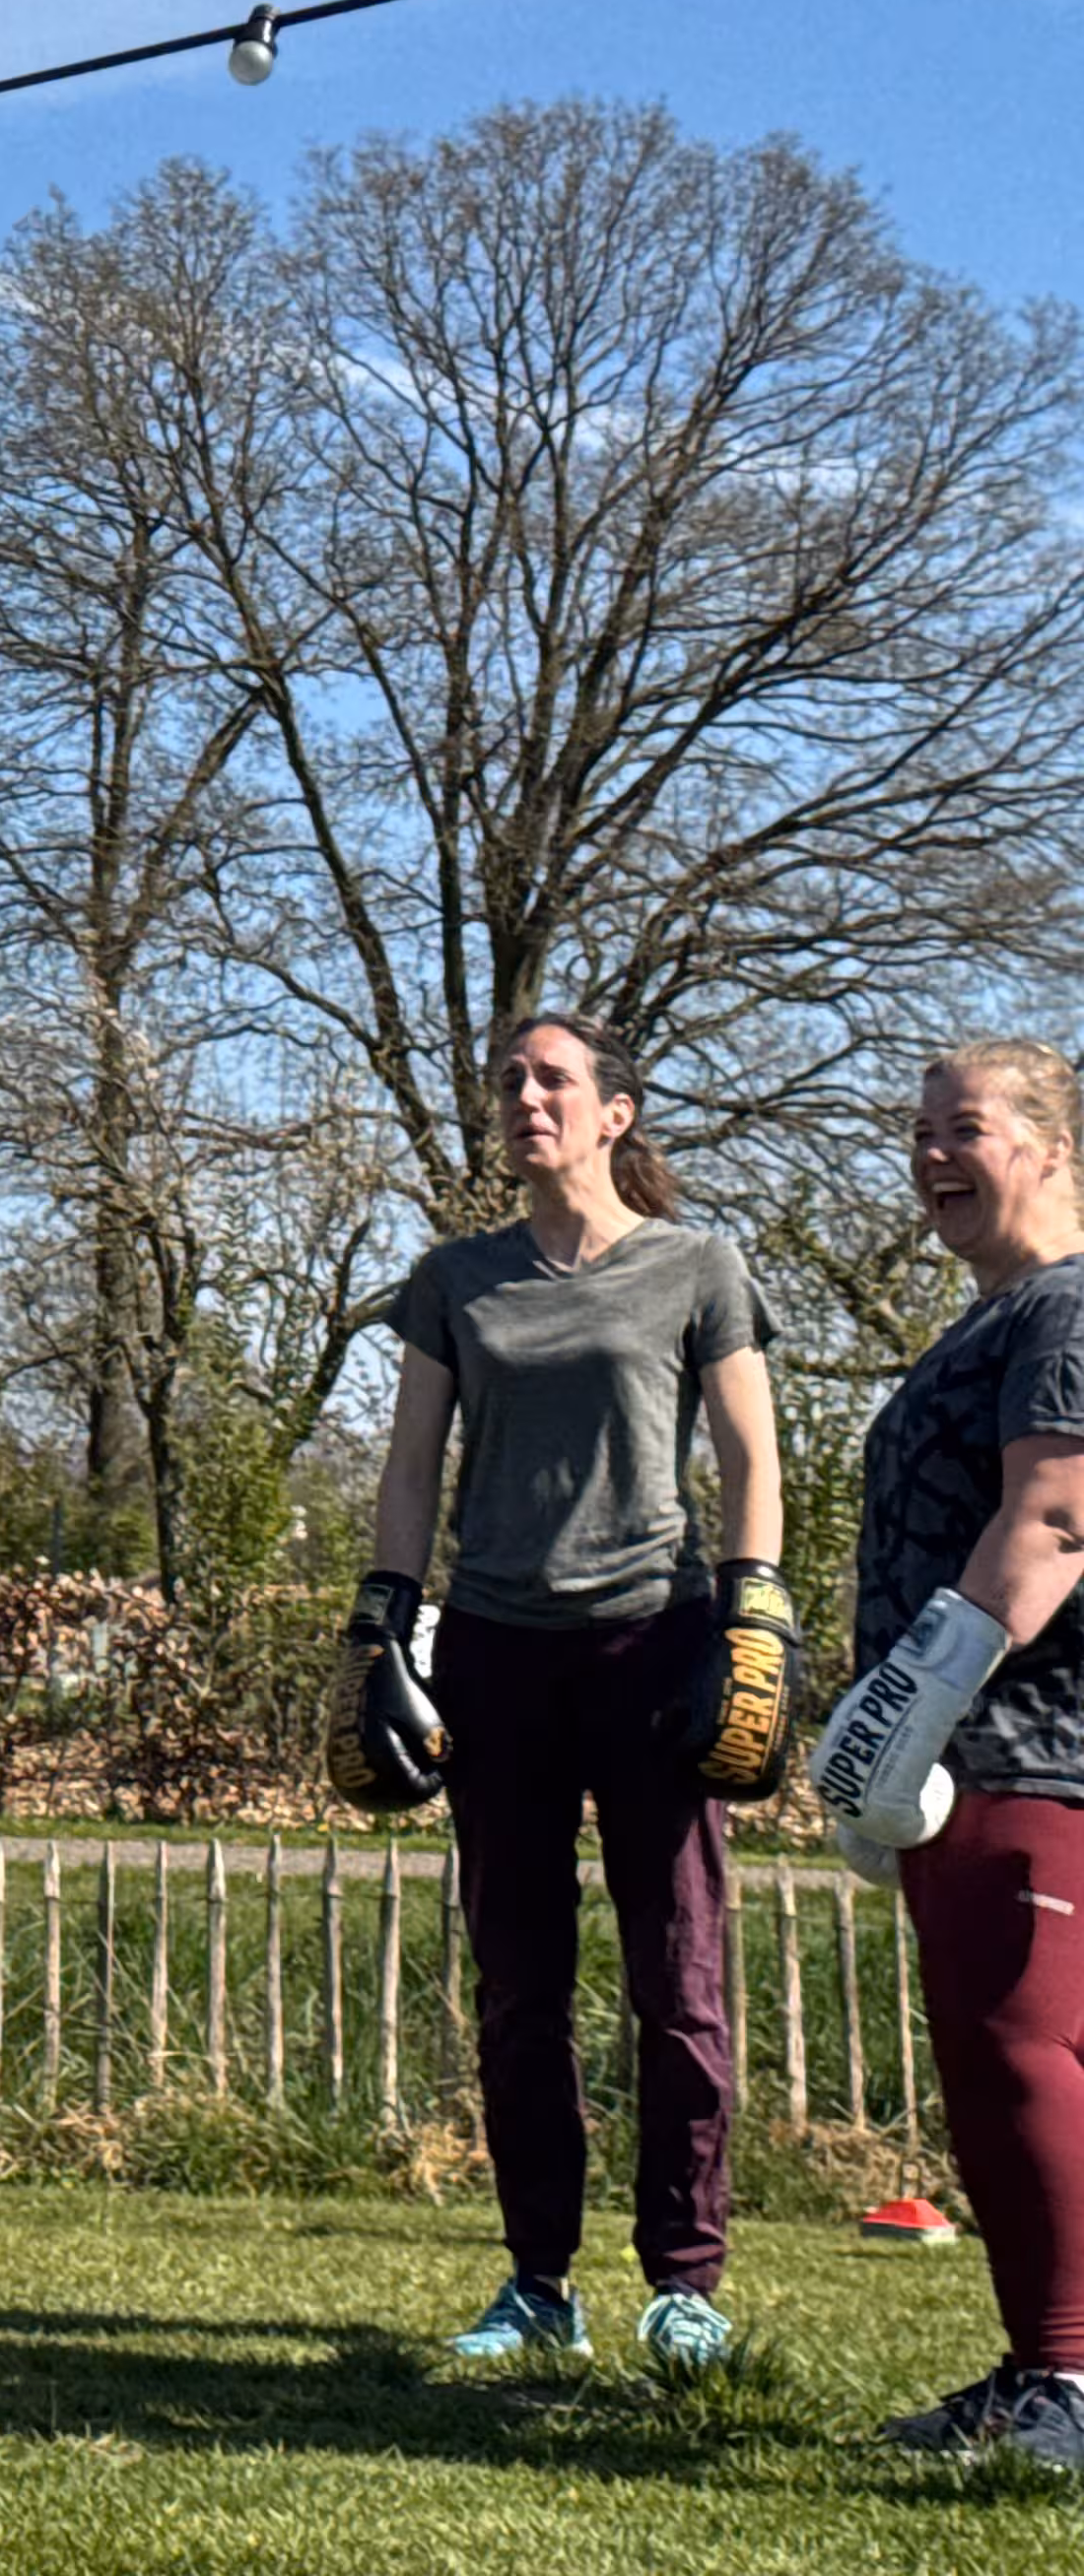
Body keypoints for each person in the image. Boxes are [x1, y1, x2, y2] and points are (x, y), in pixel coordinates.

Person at [351, 1014, 781, 2369]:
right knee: (520, 1983)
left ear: (616, 1113)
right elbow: (412, 1468)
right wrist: (383, 1631)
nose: (527, 1097)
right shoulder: (456, 1281)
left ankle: (687, 2284)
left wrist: (751, 1609)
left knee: (680, 1979)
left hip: (653, 1642)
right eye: (513, 1081)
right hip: (495, 1649)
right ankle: (539, 2279)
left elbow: (751, 1456)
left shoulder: (697, 1267)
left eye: (554, 1080)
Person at [816, 1040, 1084, 2466]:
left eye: (963, 1129)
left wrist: (916, 1696)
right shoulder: (997, 1318)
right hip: (975, 1757)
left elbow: (1052, 1520)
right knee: (993, 2059)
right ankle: (1042, 2369)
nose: (929, 1155)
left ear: (1045, 1144)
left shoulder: (1065, 1311)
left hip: (1038, 1747)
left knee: (1022, 2047)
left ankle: (1069, 2383)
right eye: (917, 1132)